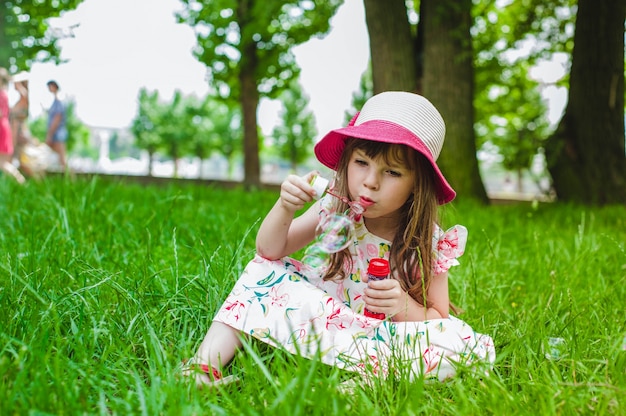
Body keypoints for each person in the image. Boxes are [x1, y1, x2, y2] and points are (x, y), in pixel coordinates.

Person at [183, 91, 496, 387]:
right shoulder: (334, 207)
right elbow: (269, 250)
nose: (370, 182)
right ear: (346, 162)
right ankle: (201, 368)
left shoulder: (426, 241)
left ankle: (362, 384)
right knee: (262, 272)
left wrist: (403, 305)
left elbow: (437, 318)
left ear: (418, 184)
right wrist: (285, 207)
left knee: (457, 342)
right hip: (324, 320)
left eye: (392, 173)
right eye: (362, 163)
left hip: (381, 338)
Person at [0, 68, 26, 184]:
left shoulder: (1, 94)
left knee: (3, 163)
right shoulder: (4, 93)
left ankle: (21, 182)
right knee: (4, 162)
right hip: (4, 127)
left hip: (1, 127)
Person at [45, 80, 68, 170]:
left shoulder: (59, 101)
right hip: (56, 133)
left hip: (57, 134)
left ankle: (70, 179)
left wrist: (49, 135)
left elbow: (57, 119)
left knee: (62, 159)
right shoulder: (55, 101)